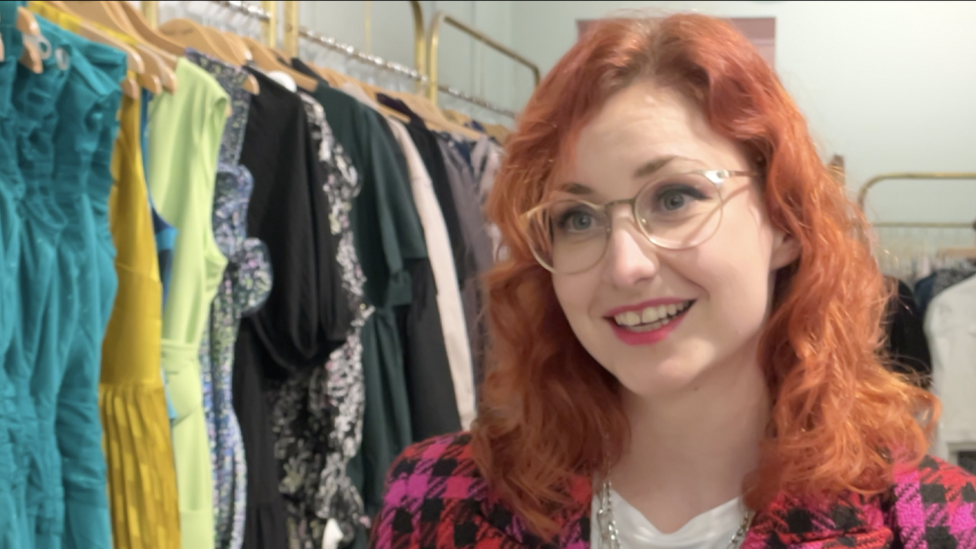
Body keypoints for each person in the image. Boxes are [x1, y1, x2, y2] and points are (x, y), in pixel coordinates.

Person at [369, 13, 972, 549]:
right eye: (578, 218)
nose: (626, 264)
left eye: (675, 197)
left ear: (784, 222)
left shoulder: (932, 524)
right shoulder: (435, 502)